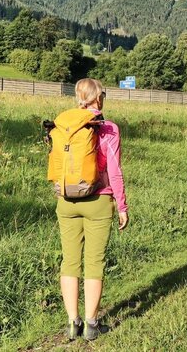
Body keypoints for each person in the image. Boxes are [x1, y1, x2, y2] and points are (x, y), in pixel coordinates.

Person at [57, 78, 130, 341]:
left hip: (66, 201)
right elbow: (114, 170)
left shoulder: (65, 124)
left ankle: (71, 322)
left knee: (70, 261)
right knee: (94, 263)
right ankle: (91, 324)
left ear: (78, 97)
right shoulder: (108, 128)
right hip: (99, 201)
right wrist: (122, 205)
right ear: (98, 98)